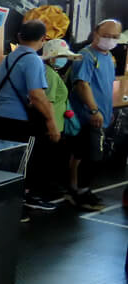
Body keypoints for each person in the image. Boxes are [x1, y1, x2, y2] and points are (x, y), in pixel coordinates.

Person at [0, 20, 60, 213]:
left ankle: (6, 204)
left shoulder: (8, 58)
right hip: (21, 120)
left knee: (5, 162)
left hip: (1, 116)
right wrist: (51, 123)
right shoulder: (33, 60)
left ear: (20, 36)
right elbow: (37, 96)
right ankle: (20, 205)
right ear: (43, 39)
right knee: (24, 163)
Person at [67, 19, 124, 211]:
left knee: (81, 154)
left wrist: (107, 111)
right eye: (106, 35)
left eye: (114, 37)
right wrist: (94, 109)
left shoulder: (108, 57)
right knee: (91, 156)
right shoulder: (86, 56)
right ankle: (80, 191)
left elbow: (105, 86)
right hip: (88, 116)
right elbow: (82, 84)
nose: (109, 40)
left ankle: (77, 190)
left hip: (101, 115)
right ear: (96, 32)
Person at [40, 38, 82, 196]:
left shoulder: (52, 72)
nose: (65, 60)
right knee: (50, 160)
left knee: (54, 159)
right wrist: (53, 127)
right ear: (51, 57)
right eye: (61, 56)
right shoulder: (49, 74)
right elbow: (48, 102)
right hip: (53, 126)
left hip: (58, 123)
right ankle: (46, 190)